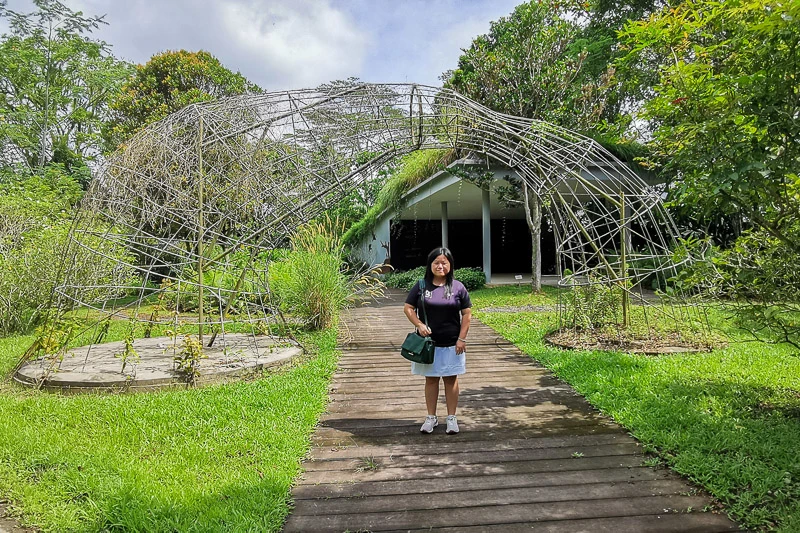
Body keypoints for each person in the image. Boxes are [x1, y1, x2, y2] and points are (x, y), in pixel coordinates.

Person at [403, 247, 472, 434]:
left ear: (450, 265)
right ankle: (431, 418)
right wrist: (418, 324)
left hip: (452, 343)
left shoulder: (458, 287)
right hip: (429, 345)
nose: (440, 266)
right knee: (431, 379)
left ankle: (451, 418)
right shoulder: (421, 286)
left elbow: (467, 314)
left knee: (451, 379)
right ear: (430, 264)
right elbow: (408, 307)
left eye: (444, 262)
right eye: (436, 262)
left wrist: (462, 339)